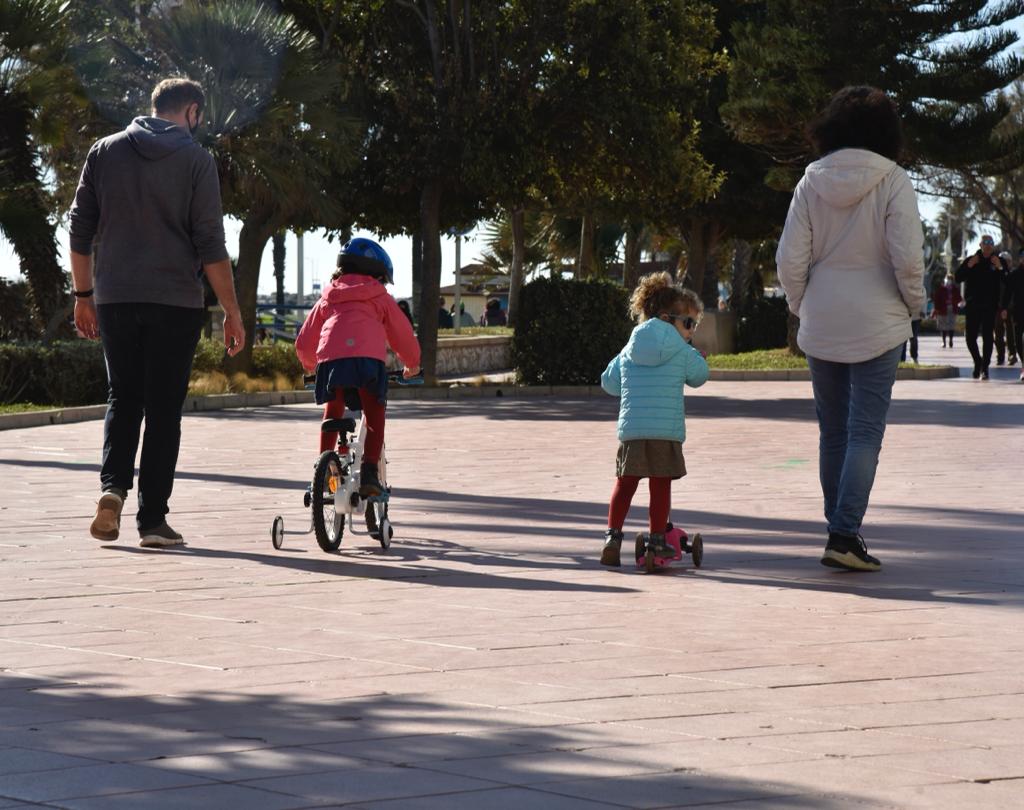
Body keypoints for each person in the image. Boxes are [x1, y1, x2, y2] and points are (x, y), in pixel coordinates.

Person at [69, 77, 245, 548]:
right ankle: (153, 523)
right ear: (191, 111)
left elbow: (79, 227)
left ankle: (112, 490)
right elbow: (210, 243)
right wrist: (232, 311)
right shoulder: (195, 160)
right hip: (175, 301)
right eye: (199, 117)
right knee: (164, 410)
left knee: (123, 397)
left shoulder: (104, 151)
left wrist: (83, 294)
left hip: (115, 298)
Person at [776, 86, 925, 572]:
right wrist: (914, 306)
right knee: (865, 431)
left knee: (833, 433)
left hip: (823, 317)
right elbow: (907, 257)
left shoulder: (809, 182)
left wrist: (804, 305)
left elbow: (789, 259)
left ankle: (837, 531)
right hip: (879, 321)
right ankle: (844, 533)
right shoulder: (894, 180)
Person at [598, 272, 709, 567]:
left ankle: (612, 537)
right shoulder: (683, 351)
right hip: (665, 433)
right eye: (688, 323)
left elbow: (609, 383)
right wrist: (697, 356)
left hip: (633, 431)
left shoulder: (629, 348)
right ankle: (658, 541)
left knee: (625, 485)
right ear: (666, 317)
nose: (690, 331)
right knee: (660, 486)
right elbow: (699, 377)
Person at [295, 238, 420, 496]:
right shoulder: (380, 297)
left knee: (333, 410)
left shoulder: (328, 297)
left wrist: (309, 366)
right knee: (374, 414)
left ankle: (324, 470)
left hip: (331, 365)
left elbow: (306, 340)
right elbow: (402, 334)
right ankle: (370, 472)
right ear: (376, 274)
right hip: (367, 364)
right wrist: (412, 365)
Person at [955, 235, 1005, 380]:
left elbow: (1006, 281)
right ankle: (978, 361)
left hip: (990, 306)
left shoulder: (998, 261)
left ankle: (985, 368)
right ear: (980, 244)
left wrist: (1000, 267)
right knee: (970, 338)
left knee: (988, 338)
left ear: (993, 245)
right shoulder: (972, 260)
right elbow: (958, 277)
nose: (988, 245)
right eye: (985, 242)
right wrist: (969, 265)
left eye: (991, 242)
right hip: (973, 305)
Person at [1002, 248, 1024, 382]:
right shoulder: (1014, 275)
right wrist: (1004, 308)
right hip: (1018, 312)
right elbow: (1007, 293)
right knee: (1018, 340)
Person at [994, 251, 1017, 366]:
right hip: (997, 308)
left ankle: (1012, 354)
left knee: (1010, 333)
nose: (1006, 263)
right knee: (998, 333)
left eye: (1008, 261)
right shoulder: (995, 275)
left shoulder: (1014, 275)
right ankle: (1000, 355)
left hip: (1011, 308)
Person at [932, 272, 962, 348]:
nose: (949, 281)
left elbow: (959, 298)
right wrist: (936, 308)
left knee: (951, 325)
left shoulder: (955, 289)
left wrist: (956, 302)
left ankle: (951, 340)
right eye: (948, 279)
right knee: (943, 326)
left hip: (952, 308)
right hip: (942, 309)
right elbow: (936, 299)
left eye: (951, 279)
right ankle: (943, 341)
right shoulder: (941, 289)